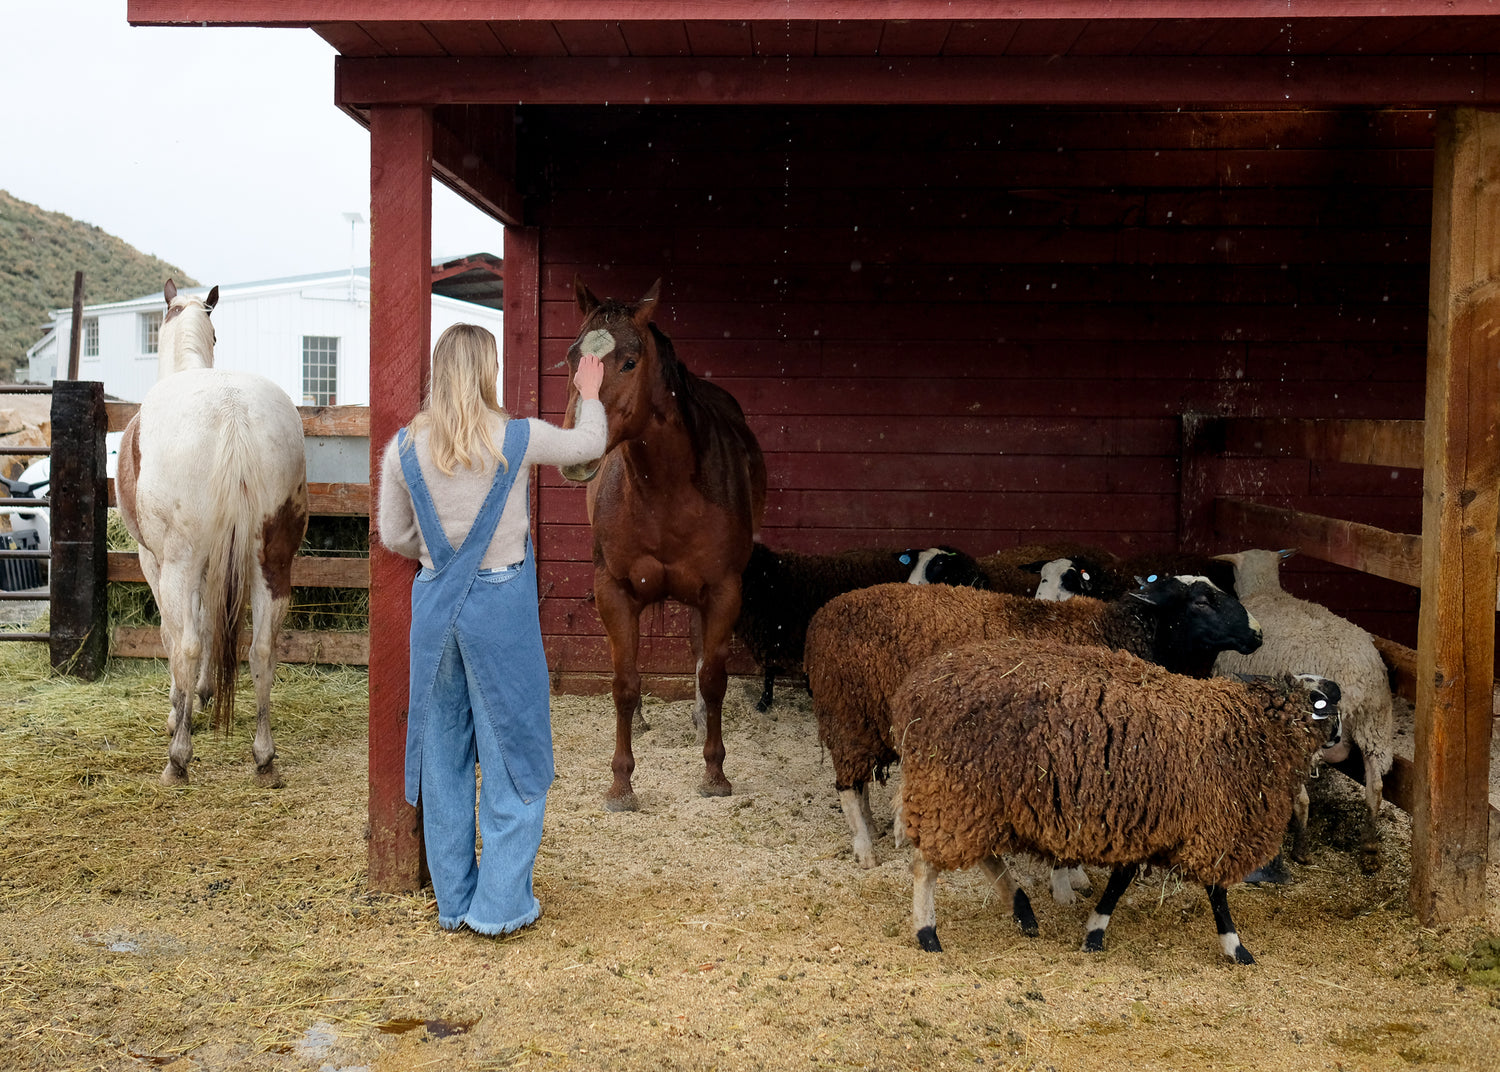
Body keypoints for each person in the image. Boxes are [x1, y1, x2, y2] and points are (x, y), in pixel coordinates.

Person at [377, 323, 606, 934]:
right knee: (513, 753)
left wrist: (441, 551)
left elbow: (395, 535)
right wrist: (590, 389)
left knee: (443, 756)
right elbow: (589, 444)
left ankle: (454, 902)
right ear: (487, 370)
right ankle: (500, 905)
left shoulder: (403, 448)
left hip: (435, 612)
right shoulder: (517, 436)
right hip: (500, 608)